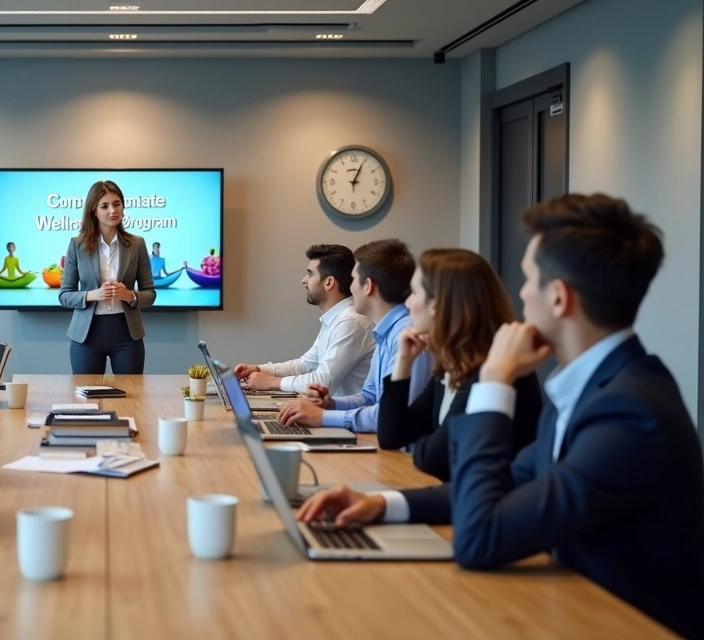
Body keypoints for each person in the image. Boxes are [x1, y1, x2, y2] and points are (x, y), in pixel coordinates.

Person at [296, 194, 704, 639]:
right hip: (571, 611)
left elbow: (480, 537)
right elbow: (513, 481)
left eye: (529, 280)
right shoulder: (593, 388)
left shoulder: (629, 414)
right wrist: (385, 504)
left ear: (559, 297)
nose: (520, 293)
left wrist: (493, 382)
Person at [375, 248, 542, 481]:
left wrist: (425, 444)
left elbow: (433, 459)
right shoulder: (451, 367)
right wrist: (403, 362)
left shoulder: (492, 369)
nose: (408, 303)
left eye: (414, 293)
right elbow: (391, 435)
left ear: (438, 304)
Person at [278, 239, 432, 432]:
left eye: (353, 280)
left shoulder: (407, 336)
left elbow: (393, 415)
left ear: (368, 286)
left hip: (400, 448)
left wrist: (323, 417)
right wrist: (331, 404)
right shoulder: (384, 332)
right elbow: (369, 396)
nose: (350, 288)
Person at [234, 244, 375, 396]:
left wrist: (271, 382)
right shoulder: (336, 319)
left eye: (310, 274)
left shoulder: (351, 322)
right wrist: (259, 370)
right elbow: (304, 366)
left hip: (346, 411)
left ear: (329, 282)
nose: (304, 280)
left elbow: (322, 382)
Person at [59, 180, 157, 374]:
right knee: (87, 393)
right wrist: (92, 295)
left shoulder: (137, 244)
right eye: (105, 206)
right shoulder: (77, 245)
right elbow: (64, 296)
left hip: (127, 334)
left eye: (117, 204)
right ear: (93, 210)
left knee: (131, 392)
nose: (113, 210)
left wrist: (129, 295)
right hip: (87, 335)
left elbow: (150, 293)